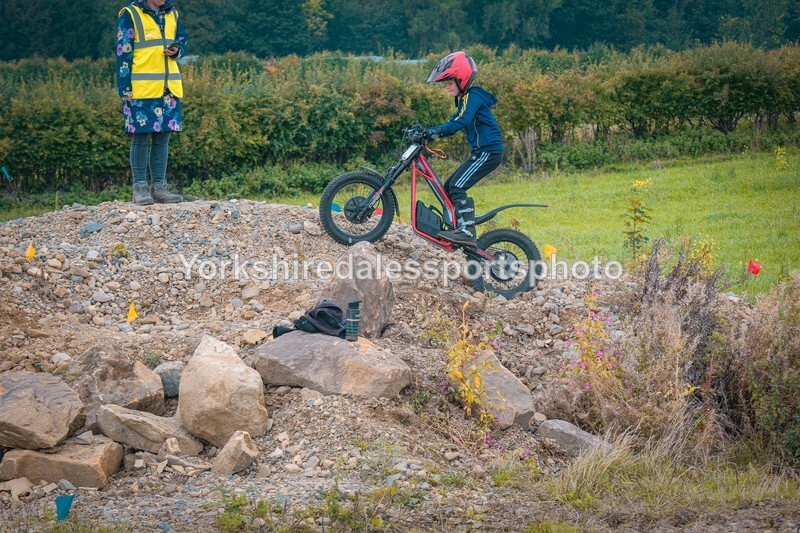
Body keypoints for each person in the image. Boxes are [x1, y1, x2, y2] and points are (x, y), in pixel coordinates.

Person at [423, 51, 504, 246]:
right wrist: (428, 131)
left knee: (457, 186)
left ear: (462, 79)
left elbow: (460, 122)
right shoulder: (467, 99)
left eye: (449, 83)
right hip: (482, 152)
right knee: (449, 186)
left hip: (488, 152)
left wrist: (435, 132)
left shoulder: (472, 97)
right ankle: (458, 227)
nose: (446, 87)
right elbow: (454, 121)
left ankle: (466, 232)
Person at [116, 0, 187, 205]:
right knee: (141, 137)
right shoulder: (130, 14)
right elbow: (123, 52)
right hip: (142, 89)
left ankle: (159, 188)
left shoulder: (172, 13)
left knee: (163, 137)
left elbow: (182, 39)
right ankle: (139, 189)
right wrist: (124, 87)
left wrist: (177, 50)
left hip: (169, 88)